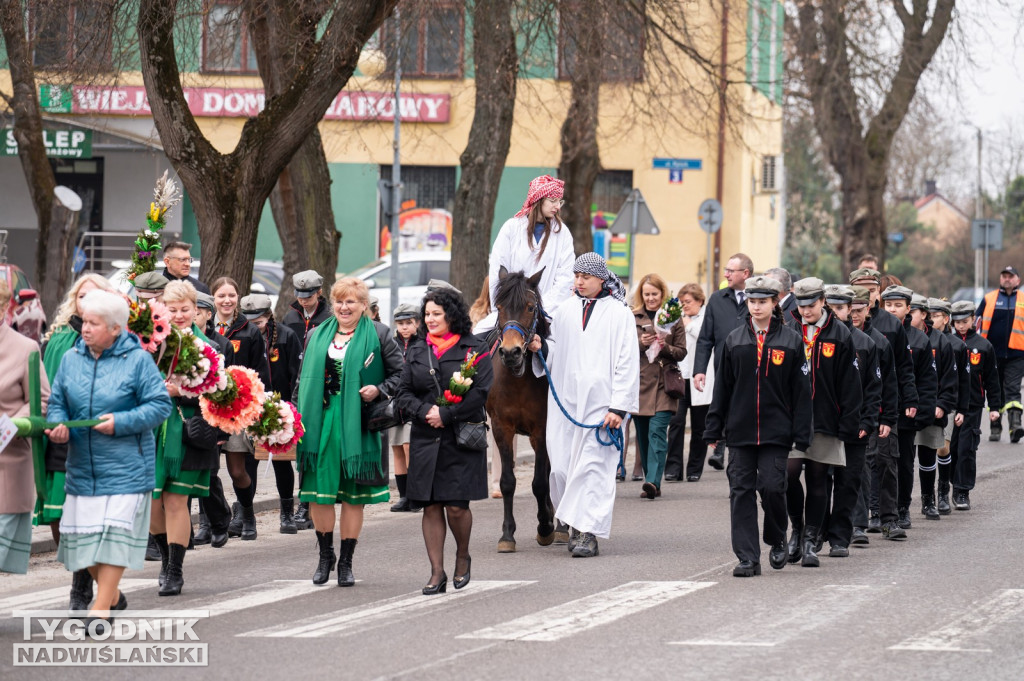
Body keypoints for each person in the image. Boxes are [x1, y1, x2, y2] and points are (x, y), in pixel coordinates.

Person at [45, 290, 172, 634]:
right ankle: (112, 595)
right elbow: (57, 402)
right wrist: (57, 426)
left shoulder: (138, 361)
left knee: (114, 538)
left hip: (127, 468)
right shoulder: (72, 359)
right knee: (84, 548)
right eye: (83, 321)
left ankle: (100, 610)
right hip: (83, 468)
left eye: (93, 323)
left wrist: (121, 422)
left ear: (116, 328)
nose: (84, 328)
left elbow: (161, 406)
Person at [526, 253, 639, 558]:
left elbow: (628, 362)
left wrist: (619, 408)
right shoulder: (563, 311)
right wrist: (540, 348)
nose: (579, 282)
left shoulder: (619, 314)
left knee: (592, 467)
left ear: (602, 279)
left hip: (602, 405)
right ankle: (574, 521)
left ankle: (586, 532)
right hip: (565, 400)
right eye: (576, 276)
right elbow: (554, 352)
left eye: (585, 277)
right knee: (561, 468)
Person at [295, 277, 402, 586]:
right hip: (320, 422)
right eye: (339, 301)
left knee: (353, 497)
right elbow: (302, 381)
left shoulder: (379, 334)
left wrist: (379, 389)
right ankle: (324, 556)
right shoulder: (316, 334)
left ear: (363, 306)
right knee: (320, 495)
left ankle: (346, 562)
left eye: (351, 301)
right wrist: (290, 417)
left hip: (358, 423)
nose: (344, 307)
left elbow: (400, 374)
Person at [704, 275, 812, 577]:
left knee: (773, 487)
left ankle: (777, 537)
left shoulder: (791, 341)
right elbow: (722, 388)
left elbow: (801, 392)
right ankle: (747, 558)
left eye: (762, 301)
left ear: (774, 302)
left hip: (777, 432)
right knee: (740, 491)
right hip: (740, 432)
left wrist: (803, 433)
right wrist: (714, 428)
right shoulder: (734, 340)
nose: (756, 307)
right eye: (752, 301)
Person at [396, 288, 493, 593]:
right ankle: (436, 572)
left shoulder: (474, 347)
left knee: (456, 506)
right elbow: (403, 394)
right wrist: (427, 412)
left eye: (437, 313)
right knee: (431, 505)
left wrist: (447, 414)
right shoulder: (416, 349)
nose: (431, 319)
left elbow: (481, 392)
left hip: (460, 437)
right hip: (426, 437)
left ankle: (462, 556)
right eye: (427, 314)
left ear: (452, 314)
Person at [34, 274, 117, 608]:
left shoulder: (119, 340)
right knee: (59, 518)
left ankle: (80, 589)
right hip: (63, 437)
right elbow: (49, 389)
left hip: (100, 440)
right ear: (75, 300)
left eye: (96, 295)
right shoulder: (58, 338)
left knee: (89, 519)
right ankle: (94, 582)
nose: (87, 301)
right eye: (82, 295)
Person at [150, 281, 224, 596]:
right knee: (151, 502)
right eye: (173, 309)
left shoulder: (211, 347)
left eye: (185, 309)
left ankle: (175, 570)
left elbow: (220, 392)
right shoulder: (150, 341)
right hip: (151, 430)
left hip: (188, 430)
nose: (179, 315)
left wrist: (180, 390)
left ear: (197, 310)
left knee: (176, 500)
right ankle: (166, 560)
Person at [782, 278, 862, 567]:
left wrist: (848, 423)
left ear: (822, 302)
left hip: (826, 420)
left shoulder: (839, 334)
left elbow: (851, 384)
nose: (805, 311)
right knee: (788, 475)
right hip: (792, 421)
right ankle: (796, 529)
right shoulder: (789, 330)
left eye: (811, 305)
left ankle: (811, 540)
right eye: (801, 305)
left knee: (818, 480)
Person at [821, 285, 880, 557]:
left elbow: (872, 388)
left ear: (849, 310)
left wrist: (867, 423)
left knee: (848, 483)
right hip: (825, 425)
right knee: (821, 481)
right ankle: (818, 531)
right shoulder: (816, 340)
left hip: (855, 427)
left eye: (840, 308)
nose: (834, 312)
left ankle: (840, 537)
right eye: (830, 307)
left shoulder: (865, 343)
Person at [211, 277, 271, 541]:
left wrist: (255, 405)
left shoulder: (250, 330)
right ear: (213, 298)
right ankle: (209, 522)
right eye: (221, 295)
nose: (226, 300)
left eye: (231, 295)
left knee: (237, 471)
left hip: (238, 410)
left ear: (238, 298)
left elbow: (261, 373)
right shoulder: (203, 327)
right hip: (208, 410)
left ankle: (247, 514)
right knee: (208, 472)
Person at [477, 175, 576, 334]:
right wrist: (504, 306)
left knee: (560, 349)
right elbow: (498, 269)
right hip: (512, 312)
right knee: (478, 336)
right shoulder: (511, 227)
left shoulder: (562, 233)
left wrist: (541, 309)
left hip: (549, 314)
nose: (557, 206)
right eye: (552, 201)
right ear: (538, 199)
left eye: (560, 201)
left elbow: (565, 278)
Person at [0, 280, 51, 574]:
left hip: (8, 463)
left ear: (5, 308)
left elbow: (42, 401)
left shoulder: (25, 348)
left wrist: (11, 424)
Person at [241, 293, 303, 533]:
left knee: (281, 462)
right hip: (251, 407)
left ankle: (287, 514)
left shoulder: (286, 336)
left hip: (281, 407)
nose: (254, 326)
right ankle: (245, 516)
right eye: (250, 321)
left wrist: (291, 407)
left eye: (258, 321)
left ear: (268, 316)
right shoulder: (243, 335)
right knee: (249, 462)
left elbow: (296, 373)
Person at [848, 286, 902, 541]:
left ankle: (889, 520)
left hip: (879, 413)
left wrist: (888, 418)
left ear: (867, 309)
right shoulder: (839, 337)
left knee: (886, 463)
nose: (855, 315)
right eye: (852, 310)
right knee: (857, 469)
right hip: (851, 415)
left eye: (859, 310)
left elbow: (890, 383)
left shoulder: (879, 342)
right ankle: (858, 524)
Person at [881, 285, 937, 531]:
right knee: (878, 461)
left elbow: (926, 379)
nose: (892, 310)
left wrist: (920, 408)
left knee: (903, 462)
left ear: (908, 309)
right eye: (888, 305)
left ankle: (902, 508)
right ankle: (876, 510)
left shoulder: (919, 339)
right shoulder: (877, 331)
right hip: (879, 407)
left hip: (904, 411)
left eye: (898, 305)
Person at [693, 253, 754, 470]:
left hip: (751, 369)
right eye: (726, 270)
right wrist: (699, 370)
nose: (726, 274)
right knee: (723, 405)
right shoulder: (717, 299)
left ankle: (737, 453)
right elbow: (705, 338)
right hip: (723, 368)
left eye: (731, 270)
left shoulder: (757, 299)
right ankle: (719, 447)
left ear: (745, 273)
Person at [630, 274, 686, 499]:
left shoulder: (673, 317)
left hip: (665, 384)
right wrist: (640, 344)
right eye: (647, 294)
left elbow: (681, 352)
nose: (651, 298)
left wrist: (664, 347)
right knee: (642, 435)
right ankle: (651, 479)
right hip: (640, 383)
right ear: (641, 295)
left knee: (657, 432)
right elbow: (622, 349)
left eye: (655, 294)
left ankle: (652, 481)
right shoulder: (632, 316)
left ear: (662, 294)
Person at [909, 295, 959, 520]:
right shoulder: (899, 337)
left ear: (923, 314)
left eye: (913, 312)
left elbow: (950, 378)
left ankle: (931, 499)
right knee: (904, 460)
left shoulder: (940, 341)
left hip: (932, 408)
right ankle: (900, 505)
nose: (909, 316)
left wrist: (942, 405)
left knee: (930, 454)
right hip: (905, 409)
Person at [192, 291, 234, 547]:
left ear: (209, 314)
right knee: (181, 477)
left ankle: (217, 520)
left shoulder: (220, 345)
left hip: (208, 418)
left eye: (197, 310)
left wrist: (223, 430)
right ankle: (187, 530)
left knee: (207, 476)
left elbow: (226, 388)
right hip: (178, 418)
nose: (191, 314)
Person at [950, 301, 1002, 510]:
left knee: (966, 449)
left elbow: (992, 379)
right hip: (950, 405)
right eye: (958, 322)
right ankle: (949, 485)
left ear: (973, 319)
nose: (961, 326)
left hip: (973, 405)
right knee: (950, 448)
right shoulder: (948, 342)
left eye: (965, 321)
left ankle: (963, 490)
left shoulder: (983, 346)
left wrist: (995, 407)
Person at [665, 284, 718, 482]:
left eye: (688, 302)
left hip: (701, 378)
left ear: (700, 301)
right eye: (681, 302)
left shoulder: (707, 316)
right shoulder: (678, 318)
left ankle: (695, 469)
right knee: (676, 423)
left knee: (699, 428)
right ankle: (673, 469)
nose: (684, 306)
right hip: (680, 377)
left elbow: (706, 338)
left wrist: (689, 325)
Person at [929, 297, 971, 515]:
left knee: (942, 448)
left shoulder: (957, 345)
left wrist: (962, 409)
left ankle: (944, 490)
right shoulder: (923, 339)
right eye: (929, 315)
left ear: (946, 319)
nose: (932, 319)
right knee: (925, 451)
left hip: (948, 404)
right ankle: (928, 496)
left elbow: (964, 381)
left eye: (936, 316)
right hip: (925, 402)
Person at [976, 265, 1024, 443]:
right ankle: (995, 427)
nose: (1007, 279)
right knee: (996, 391)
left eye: (1011, 276)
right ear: (1000, 279)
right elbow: (977, 324)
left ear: (1017, 280)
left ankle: (1015, 426)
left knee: (1012, 390)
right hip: (992, 354)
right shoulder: (989, 299)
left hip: (1017, 354)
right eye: (1004, 276)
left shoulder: (1023, 299)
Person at [389, 303, 421, 512]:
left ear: (417, 323)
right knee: (397, 447)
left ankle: (415, 494)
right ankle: (403, 496)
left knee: (410, 446)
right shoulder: (391, 345)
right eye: (400, 324)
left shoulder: (423, 344)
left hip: (415, 402)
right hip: (394, 403)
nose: (405, 328)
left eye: (409, 323)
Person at [282, 270, 332, 349]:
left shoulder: (330, 317)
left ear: (319, 292)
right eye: (300, 296)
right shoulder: (289, 318)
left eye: (309, 296)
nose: (304, 301)